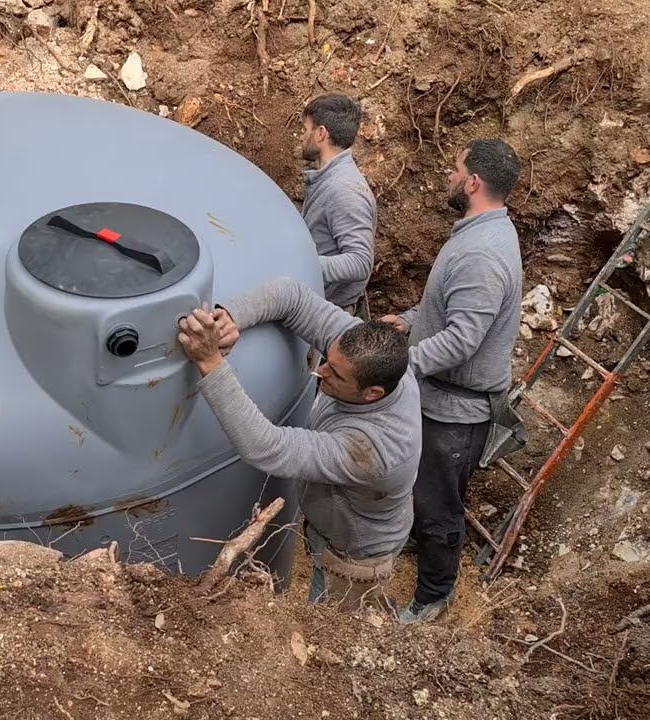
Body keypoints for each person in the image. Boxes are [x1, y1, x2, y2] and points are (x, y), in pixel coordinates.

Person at [176, 277, 420, 609]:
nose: (321, 371)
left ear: (372, 393)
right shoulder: (368, 354)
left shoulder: (375, 453)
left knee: (331, 626)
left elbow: (266, 447)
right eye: (327, 360)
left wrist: (210, 362)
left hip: (355, 558)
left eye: (336, 375)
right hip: (335, 524)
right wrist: (231, 317)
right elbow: (291, 296)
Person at [380, 139, 524, 624]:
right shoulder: (483, 233)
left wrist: (399, 364)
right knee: (424, 490)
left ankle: (433, 596)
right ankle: (416, 542)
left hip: (456, 414)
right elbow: (453, 309)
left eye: (455, 168)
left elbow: (463, 339)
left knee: (439, 506)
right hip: (442, 401)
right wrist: (410, 320)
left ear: (473, 182)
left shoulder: (480, 253)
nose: (448, 174)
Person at [298, 94, 377, 321]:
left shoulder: (345, 190)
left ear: (321, 133)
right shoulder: (329, 178)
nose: (302, 137)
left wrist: (302, 264)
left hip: (330, 315)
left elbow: (360, 262)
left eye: (305, 129)